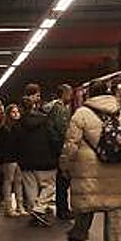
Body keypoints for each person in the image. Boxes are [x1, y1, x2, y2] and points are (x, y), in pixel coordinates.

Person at [59, 80, 121, 241]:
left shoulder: (81, 114)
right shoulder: (119, 113)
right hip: (115, 166)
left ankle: (78, 239)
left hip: (88, 169)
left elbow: (71, 144)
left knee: (87, 204)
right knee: (114, 206)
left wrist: (65, 165)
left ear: (89, 94)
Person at [10, 95, 56, 226]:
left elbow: (14, 144)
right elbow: (53, 138)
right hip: (46, 160)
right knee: (48, 186)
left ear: (20, 108)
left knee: (30, 189)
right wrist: (56, 154)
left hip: (26, 162)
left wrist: (18, 158)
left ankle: (35, 213)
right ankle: (39, 208)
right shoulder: (45, 121)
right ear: (34, 106)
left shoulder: (17, 125)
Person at [45, 83, 74, 220]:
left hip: (52, 147)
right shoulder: (60, 109)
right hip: (60, 148)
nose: (72, 96)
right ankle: (63, 210)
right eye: (70, 93)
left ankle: (62, 207)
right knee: (63, 180)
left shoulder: (51, 107)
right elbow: (63, 130)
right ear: (63, 93)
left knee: (59, 180)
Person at [0, 103, 25, 216]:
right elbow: (0, 145)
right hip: (9, 158)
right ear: (8, 114)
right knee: (8, 181)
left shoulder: (20, 127)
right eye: (13, 112)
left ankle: (20, 206)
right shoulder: (4, 128)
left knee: (19, 182)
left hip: (19, 158)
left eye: (17, 112)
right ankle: (8, 207)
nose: (16, 114)